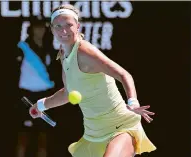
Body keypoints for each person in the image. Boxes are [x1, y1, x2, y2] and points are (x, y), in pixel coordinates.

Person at [29, 4, 156, 157]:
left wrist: (132, 102)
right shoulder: (63, 54)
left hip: (121, 127)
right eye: (58, 26)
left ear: (78, 26)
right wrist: (41, 105)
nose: (63, 31)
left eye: (69, 25)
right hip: (93, 135)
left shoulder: (85, 51)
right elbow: (68, 93)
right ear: (52, 29)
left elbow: (123, 75)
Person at [14, 17, 59, 157]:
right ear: (31, 29)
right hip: (26, 96)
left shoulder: (49, 49)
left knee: (43, 136)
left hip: (44, 96)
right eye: (37, 27)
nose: (40, 30)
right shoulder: (22, 47)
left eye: (42, 28)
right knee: (23, 135)